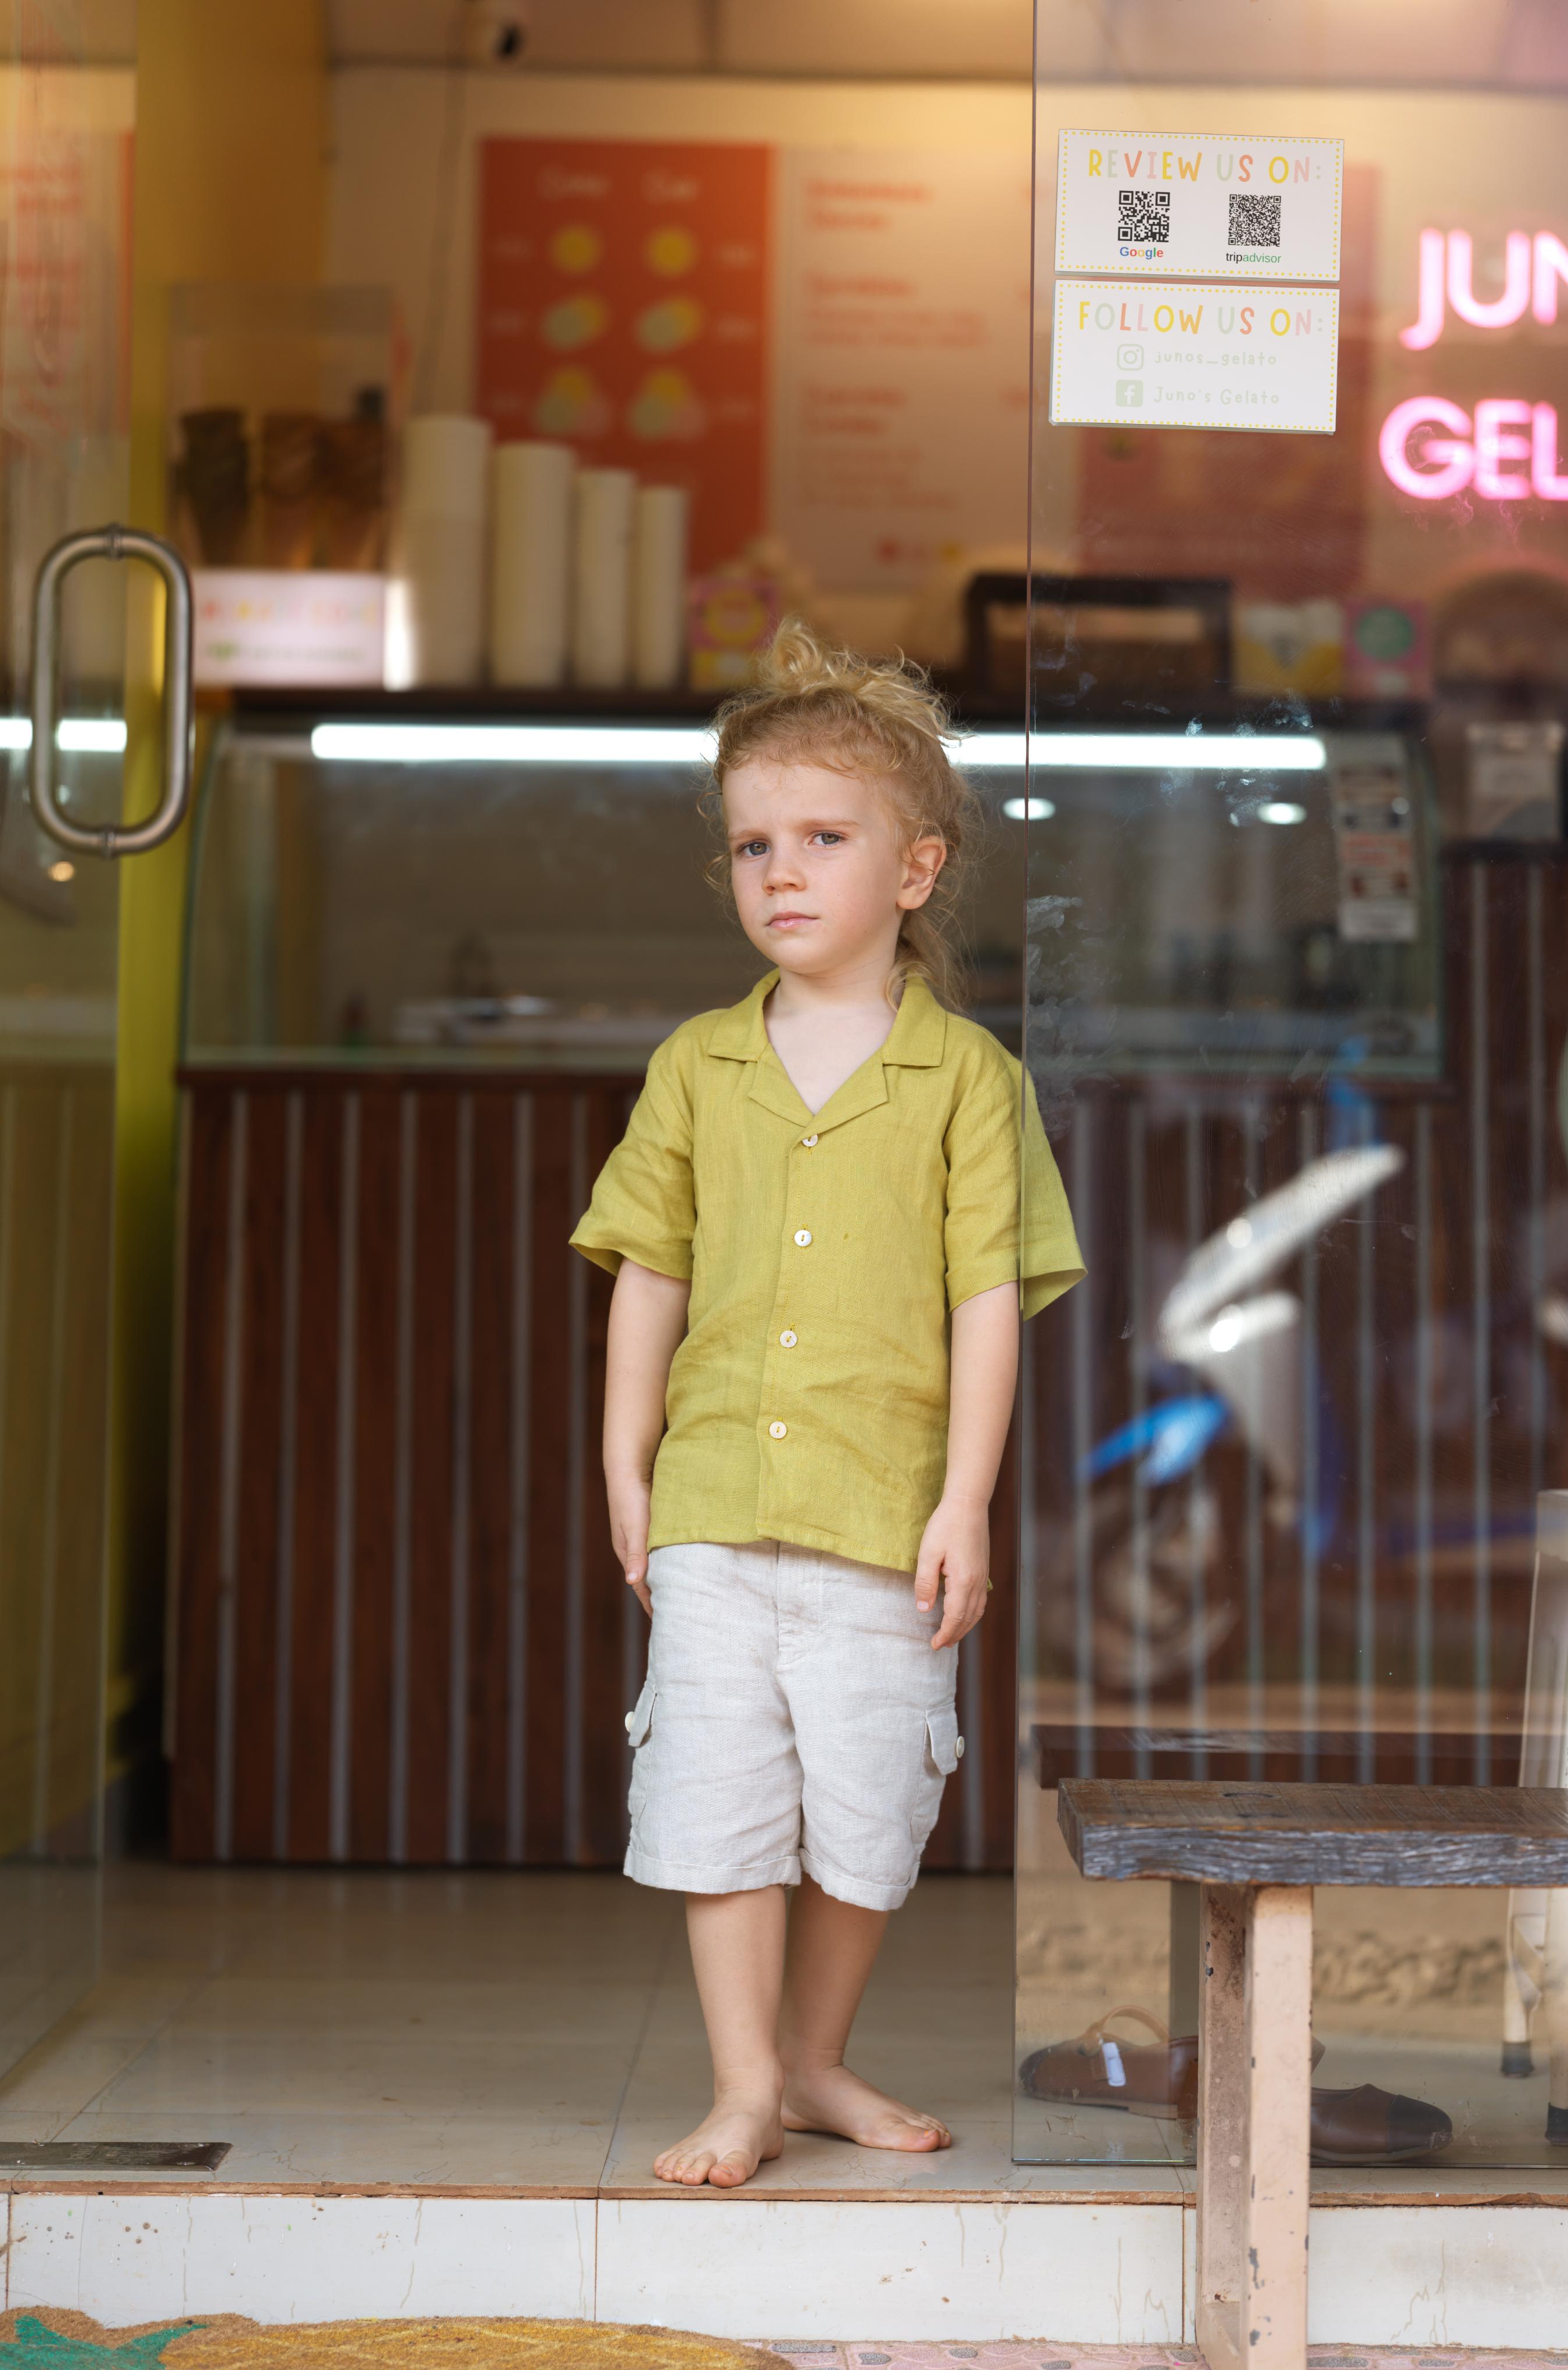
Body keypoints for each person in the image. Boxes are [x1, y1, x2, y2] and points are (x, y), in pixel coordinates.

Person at [571, 621, 1083, 2189]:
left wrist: (962, 1499)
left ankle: (810, 2057)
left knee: (868, 1807)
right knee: (715, 1798)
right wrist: (625, 1458)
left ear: (914, 871)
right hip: (719, 1506)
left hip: (883, 1520)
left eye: (822, 839)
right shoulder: (697, 1065)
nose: (778, 872)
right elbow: (648, 1273)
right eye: (750, 843)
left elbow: (984, 1301)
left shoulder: (968, 1082)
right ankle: (740, 2086)